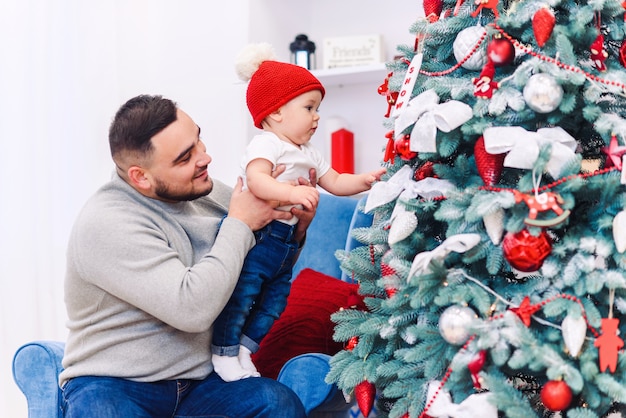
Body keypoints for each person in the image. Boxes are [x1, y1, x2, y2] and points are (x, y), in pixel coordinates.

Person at [59, 94, 316, 417]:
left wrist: (294, 232)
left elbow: (257, 271)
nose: (205, 157)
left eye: (198, 140)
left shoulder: (210, 195)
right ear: (141, 176)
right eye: (184, 158)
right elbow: (192, 310)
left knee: (277, 403)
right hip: (114, 384)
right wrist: (238, 223)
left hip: (200, 385)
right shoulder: (107, 222)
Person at [210, 43, 387, 381]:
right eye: (309, 107)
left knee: (274, 301)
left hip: (287, 243)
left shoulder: (307, 152)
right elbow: (257, 181)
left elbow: (334, 181)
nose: (317, 116)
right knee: (245, 295)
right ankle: (224, 352)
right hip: (261, 238)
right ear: (277, 112)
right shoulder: (266, 144)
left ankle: (246, 349)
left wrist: (364, 180)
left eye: (317, 108)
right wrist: (291, 192)